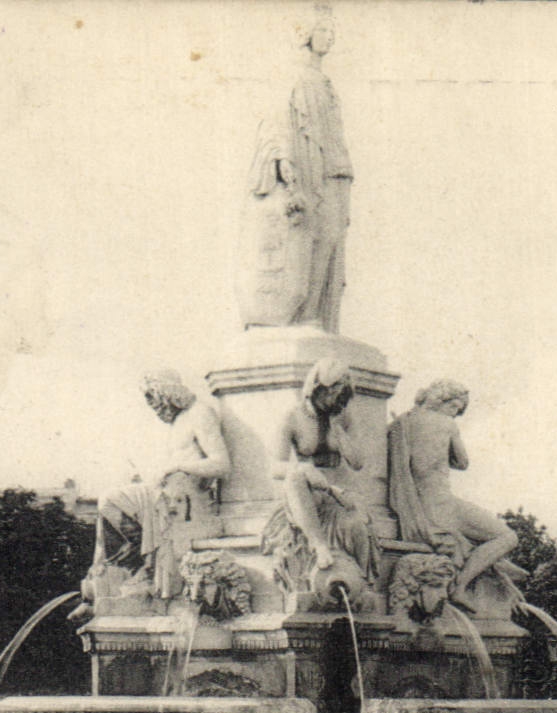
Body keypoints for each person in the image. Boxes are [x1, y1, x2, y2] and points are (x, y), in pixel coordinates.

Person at [243, 7, 352, 332]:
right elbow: (274, 120)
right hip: (306, 167)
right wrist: (284, 161)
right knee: (310, 236)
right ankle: (305, 316)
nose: (330, 37)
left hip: (334, 169)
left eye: (333, 31)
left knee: (332, 238)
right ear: (306, 33)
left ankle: (320, 317)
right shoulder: (290, 75)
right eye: (324, 30)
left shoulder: (326, 83)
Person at [83, 371, 231, 609]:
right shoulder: (179, 420)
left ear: (167, 393)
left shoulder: (200, 414)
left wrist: (177, 466)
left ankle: (140, 569)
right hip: (168, 493)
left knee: (114, 500)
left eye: (154, 400)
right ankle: (118, 573)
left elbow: (222, 464)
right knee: (109, 503)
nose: (154, 408)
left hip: (185, 500)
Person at [386, 379, 523, 613]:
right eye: (455, 409)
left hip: (417, 506)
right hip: (442, 505)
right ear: (443, 401)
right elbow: (462, 462)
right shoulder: (446, 423)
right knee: (507, 537)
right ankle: (460, 586)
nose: (455, 414)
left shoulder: (401, 424)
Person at [267, 357, 377, 578]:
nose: (336, 400)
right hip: (308, 492)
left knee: (358, 527)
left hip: (339, 492)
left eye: (341, 395)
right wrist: (302, 469)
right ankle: (319, 545)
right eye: (332, 393)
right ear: (317, 389)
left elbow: (358, 462)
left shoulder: (343, 417)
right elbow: (274, 467)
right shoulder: (293, 417)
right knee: (294, 479)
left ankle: (365, 582)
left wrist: (339, 432)